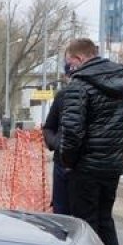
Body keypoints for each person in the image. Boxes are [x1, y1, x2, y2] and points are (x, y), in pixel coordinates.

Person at [59, 38, 123, 245]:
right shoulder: (122, 83)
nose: (68, 68)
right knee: (105, 219)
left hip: (86, 168)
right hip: (113, 165)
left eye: (69, 62)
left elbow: (72, 131)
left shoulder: (78, 85)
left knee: (85, 225)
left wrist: (67, 161)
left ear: (79, 59)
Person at [41, 62, 74, 215]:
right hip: (63, 164)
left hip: (87, 168)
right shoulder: (63, 96)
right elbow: (49, 127)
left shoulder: (99, 95)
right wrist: (56, 143)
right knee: (62, 214)